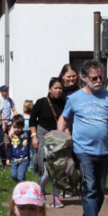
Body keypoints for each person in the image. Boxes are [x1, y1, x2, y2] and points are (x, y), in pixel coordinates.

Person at [57, 60, 108, 216]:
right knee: (89, 187)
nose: (98, 81)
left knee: (101, 191)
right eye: (94, 78)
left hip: (103, 150)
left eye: (100, 77)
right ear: (84, 78)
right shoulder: (74, 98)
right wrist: (60, 140)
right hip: (83, 150)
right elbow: (63, 119)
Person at [29, 77, 67, 208]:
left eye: (60, 88)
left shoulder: (64, 103)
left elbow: (67, 120)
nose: (58, 90)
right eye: (55, 88)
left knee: (57, 168)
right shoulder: (41, 102)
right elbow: (32, 121)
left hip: (58, 137)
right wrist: (34, 137)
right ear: (50, 89)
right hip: (42, 135)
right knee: (46, 170)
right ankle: (42, 190)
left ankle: (56, 197)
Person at [8, 115, 31, 183]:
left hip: (24, 159)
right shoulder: (13, 136)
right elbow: (10, 148)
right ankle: (23, 184)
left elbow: (33, 128)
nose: (17, 129)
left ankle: (21, 189)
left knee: (20, 176)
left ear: (23, 126)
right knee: (14, 175)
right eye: (15, 127)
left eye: (19, 127)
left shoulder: (26, 134)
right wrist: (8, 158)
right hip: (14, 160)